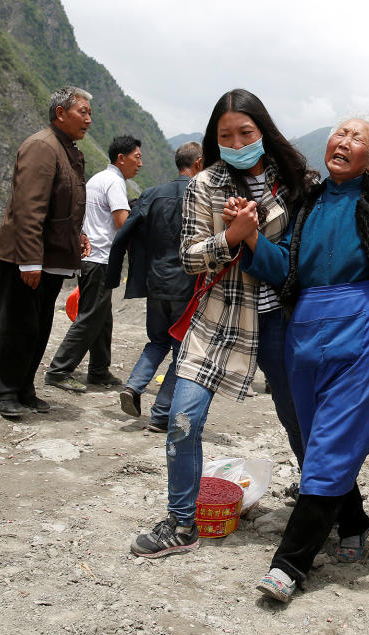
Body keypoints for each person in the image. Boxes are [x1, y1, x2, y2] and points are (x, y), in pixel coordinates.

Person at [240, 115, 369, 602]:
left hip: (363, 325)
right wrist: (251, 239)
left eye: (358, 138)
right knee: (317, 439)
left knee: (334, 441)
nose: (344, 141)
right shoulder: (308, 200)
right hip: (306, 327)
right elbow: (281, 267)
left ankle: (290, 564)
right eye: (340, 133)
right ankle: (354, 521)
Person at [129, 89, 312, 559]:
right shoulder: (204, 186)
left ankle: (319, 506)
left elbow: (304, 255)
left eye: (245, 133)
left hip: (279, 321)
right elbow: (189, 257)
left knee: (298, 421)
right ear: (215, 139)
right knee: (183, 417)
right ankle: (182, 522)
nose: (237, 142)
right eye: (225, 135)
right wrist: (230, 237)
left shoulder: (294, 183)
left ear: (263, 133)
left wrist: (254, 233)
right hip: (219, 319)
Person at [0, 86, 93, 419]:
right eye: (82, 112)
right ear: (61, 113)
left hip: (53, 256)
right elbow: (29, 208)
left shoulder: (67, 150)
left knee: (38, 324)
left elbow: (65, 205)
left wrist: (79, 235)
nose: (88, 119)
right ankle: (0, 392)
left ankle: (23, 387)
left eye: (90, 114)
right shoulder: (42, 147)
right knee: (15, 322)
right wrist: (29, 260)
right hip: (28, 257)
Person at [109, 142, 203, 432]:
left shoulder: (150, 194)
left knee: (158, 341)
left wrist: (112, 278)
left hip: (155, 282)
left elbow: (122, 234)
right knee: (183, 350)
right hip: (186, 287)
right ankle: (161, 414)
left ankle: (134, 386)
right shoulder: (202, 196)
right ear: (198, 164)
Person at [45, 136, 143, 392]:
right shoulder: (114, 182)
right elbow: (123, 222)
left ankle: (99, 370)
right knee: (90, 317)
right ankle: (59, 370)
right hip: (99, 257)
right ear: (121, 158)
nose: (140, 163)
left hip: (93, 257)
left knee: (102, 316)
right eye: (137, 157)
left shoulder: (100, 178)